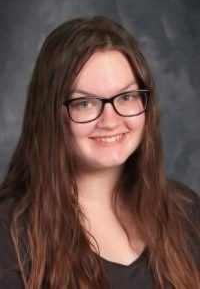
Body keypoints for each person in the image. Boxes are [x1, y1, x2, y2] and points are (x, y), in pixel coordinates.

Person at [0, 16, 199, 289]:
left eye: (127, 97)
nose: (110, 120)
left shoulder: (185, 210)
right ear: (49, 113)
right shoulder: (8, 234)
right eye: (85, 103)